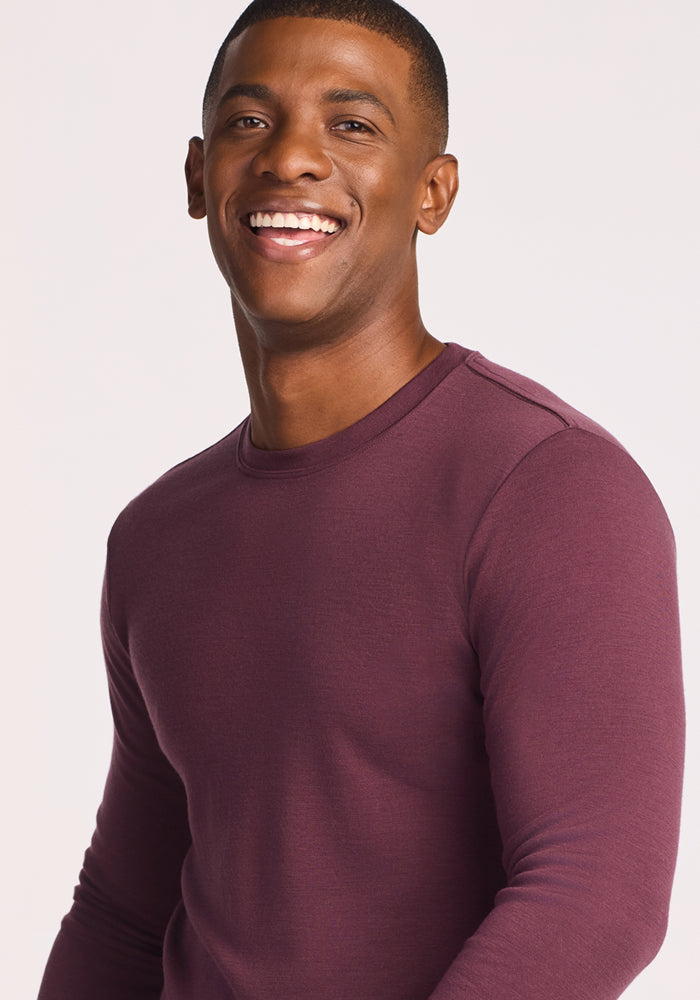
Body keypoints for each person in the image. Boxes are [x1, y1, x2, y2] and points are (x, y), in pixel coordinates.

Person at [38, 1, 684, 998]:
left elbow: (596, 893)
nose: (291, 157)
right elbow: (125, 913)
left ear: (433, 191)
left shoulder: (550, 487)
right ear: (199, 176)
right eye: (250, 121)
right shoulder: (157, 537)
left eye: (351, 124)